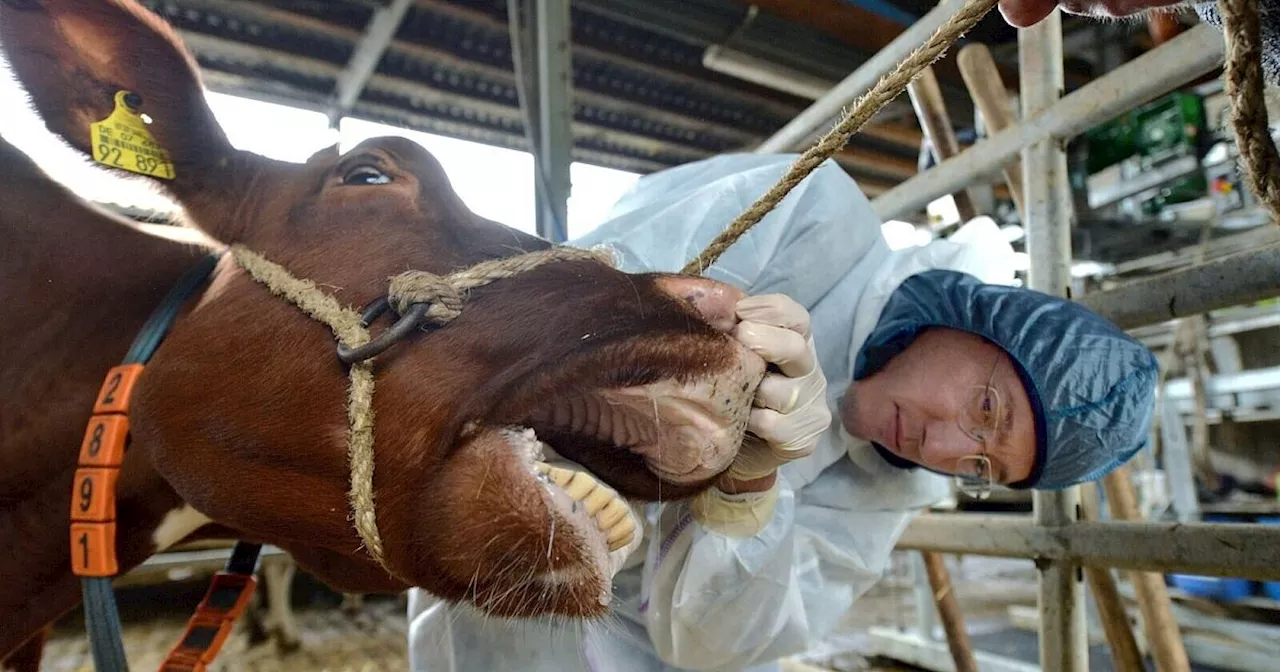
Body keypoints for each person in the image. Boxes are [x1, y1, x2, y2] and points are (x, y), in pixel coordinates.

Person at [406, 146, 1158, 670]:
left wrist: (749, 489)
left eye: (982, 464)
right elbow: (571, 307)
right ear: (973, 319)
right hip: (493, 505)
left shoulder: (877, 503)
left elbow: (710, 647)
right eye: (985, 407)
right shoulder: (812, 219)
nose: (944, 444)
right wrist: (716, 353)